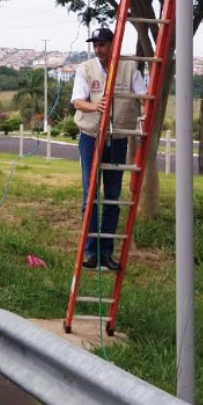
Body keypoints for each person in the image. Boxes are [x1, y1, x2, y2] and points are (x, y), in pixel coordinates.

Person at [71, 27, 147, 271]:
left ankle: (107, 253)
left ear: (113, 44)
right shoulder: (85, 69)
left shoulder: (129, 67)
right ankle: (91, 252)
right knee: (90, 195)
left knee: (112, 197)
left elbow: (143, 96)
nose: (98, 49)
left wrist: (146, 117)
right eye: (95, 45)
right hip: (91, 136)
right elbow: (78, 101)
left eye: (102, 44)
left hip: (118, 138)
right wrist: (95, 106)